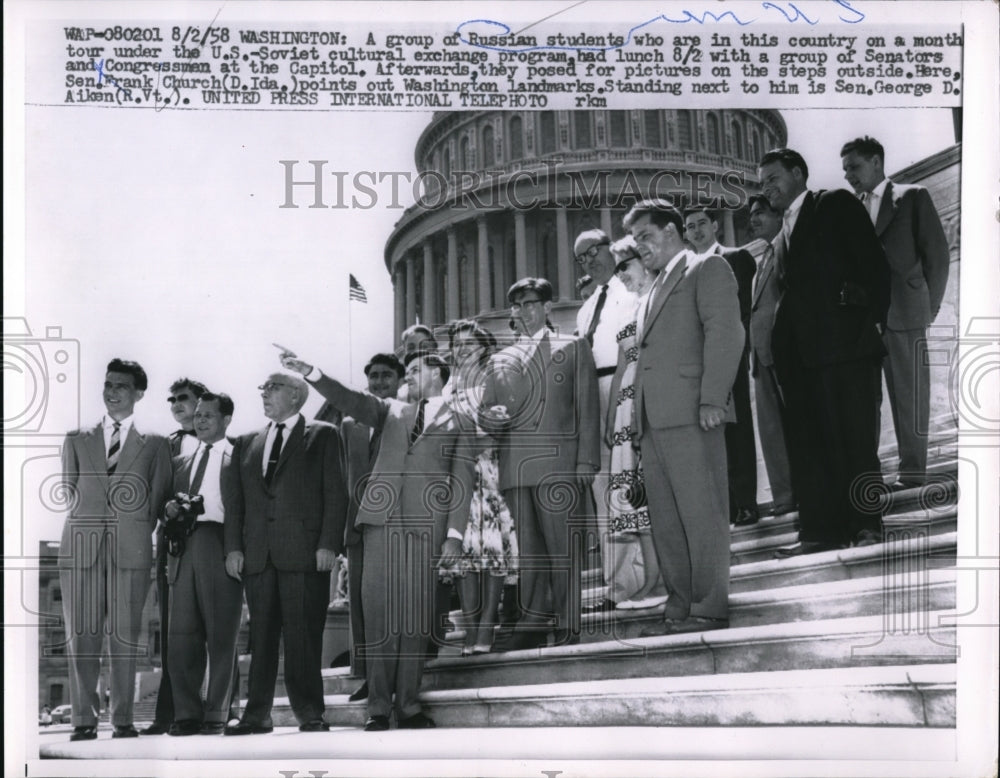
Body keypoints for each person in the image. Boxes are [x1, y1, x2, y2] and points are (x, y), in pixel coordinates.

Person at [281, 348, 474, 731]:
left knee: (414, 618)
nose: (408, 376)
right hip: (379, 522)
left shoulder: (461, 420)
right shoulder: (390, 411)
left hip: (425, 526)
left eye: (415, 369)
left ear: (438, 373)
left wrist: (454, 536)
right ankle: (379, 708)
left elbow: (462, 479)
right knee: (378, 613)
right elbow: (350, 399)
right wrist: (312, 372)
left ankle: (409, 705)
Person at [758, 148, 890, 556]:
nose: (767, 188)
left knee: (855, 441)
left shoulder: (833, 203)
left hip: (845, 350)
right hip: (802, 361)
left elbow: (873, 264)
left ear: (798, 173)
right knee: (810, 448)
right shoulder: (781, 233)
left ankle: (866, 525)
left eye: (773, 178)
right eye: (762, 183)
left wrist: (867, 323)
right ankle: (820, 532)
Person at [622, 200, 744, 636]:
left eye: (645, 236)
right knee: (668, 521)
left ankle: (709, 606)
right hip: (654, 421)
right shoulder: (652, 288)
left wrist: (713, 399)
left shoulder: (706, 269)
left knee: (701, 514)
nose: (640, 246)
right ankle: (680, 604)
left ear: (671, 231)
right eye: (636, 239)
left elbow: (726, 332)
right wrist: (637, 423)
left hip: (694, 412)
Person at [223, 372, 347, 734]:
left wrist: (328, 544)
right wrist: (234, 548)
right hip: (258, 557)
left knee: (303, 637)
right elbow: (236, 504)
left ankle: (310, 713)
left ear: (296, 395)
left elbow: (335, 493)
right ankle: (256, 716)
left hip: (305, 554)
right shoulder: (246, 442)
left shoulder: (323, 435)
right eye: (262, 388)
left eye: (272, 387)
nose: (264, 393)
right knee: (260, 640)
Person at [481, 277, 601, 650]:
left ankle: (568, 622)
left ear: (548, 307)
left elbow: (587, 408)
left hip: (559, 465)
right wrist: (491, 418)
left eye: (530, 303)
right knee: (529, 554)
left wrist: (586, 461)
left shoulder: (573, 346)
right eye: (516, 306)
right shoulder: (499, 359)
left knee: (562, 547)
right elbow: (486, 414)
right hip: (516, 468)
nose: (522, 312)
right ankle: (532, 622)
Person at [59, 359, 173, 741]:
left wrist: (133, 531)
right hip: (81, 548)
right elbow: (70, 491)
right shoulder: (76, 438)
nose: (111, 391)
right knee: (82, 636)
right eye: (108, 384)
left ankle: (123, 720)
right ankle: (83, 720)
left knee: (125, 636)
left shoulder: (155, 444)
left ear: (139, 393)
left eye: (121, 386)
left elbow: (157, 500)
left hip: (131, 549)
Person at [840, 136, 951, 489]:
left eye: (854, 167)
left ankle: (913, 473)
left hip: (906, 313)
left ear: (876, 162)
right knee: (865, 400)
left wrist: (927, 309)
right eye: (844, 170)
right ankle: (868, 476)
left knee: (910, 395)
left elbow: (937, 256)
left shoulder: (912, 196)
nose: (848, 176)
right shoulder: (850, 210)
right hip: (865, 322)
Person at [164, 392, 244, 736]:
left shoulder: (239, 456)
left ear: (226, 419)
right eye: (197, 415)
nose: (200, 420)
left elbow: (245, 507)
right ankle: (186, 714)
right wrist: (168, 509)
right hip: (183, 546)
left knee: (222, 633)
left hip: (220, 542)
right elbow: (164, 505)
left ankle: (219, 712)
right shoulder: (181, 462)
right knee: (182, 635)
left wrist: (236, 549)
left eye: (208, 415)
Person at [440, 320, 518, 654]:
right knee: (465, 555)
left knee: (493, 549)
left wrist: (471, 442)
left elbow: (504, 425)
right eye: (457, 344)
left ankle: (487, 625)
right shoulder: (447, 386)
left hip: (490, 471)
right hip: (456, 477)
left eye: (469, 344)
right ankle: (471, 630)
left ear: (483, 348)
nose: (462, 350)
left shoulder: (493, 378)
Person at [573, 229, 637, 611]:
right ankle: (617, 585)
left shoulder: (629, 292)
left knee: (626, 490)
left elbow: (632, 351)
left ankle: (636, 581)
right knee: (603, 493)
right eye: (581, 258)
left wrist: (617, 403)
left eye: (593, 252)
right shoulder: (586, 309)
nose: (589, 261)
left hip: (622, 384)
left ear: (610, 249)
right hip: (591, 397)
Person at [684, 206, 759, 527]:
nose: (697, 230)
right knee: (710, 432)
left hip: (728, 355)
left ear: (715, 226)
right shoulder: (685, 270)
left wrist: (737, 351)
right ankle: (724, 505)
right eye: (690, 227)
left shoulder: (735, 257)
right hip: (697, 361)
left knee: (737, 429)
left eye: (702, 223)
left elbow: (745, 310)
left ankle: (746, 502)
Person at [604, 237, 669, 610]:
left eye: (624, 266)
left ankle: (664, 578)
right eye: (616, 269)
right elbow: (621, 366)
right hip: (626, 411)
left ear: (644, 260)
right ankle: (651, 578)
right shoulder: (628, 306)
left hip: (650, 402)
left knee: (653, 493)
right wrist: (612, 417)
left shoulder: (661, 295)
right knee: (634, 499)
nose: (620, 275)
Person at [142, 377, 208, 736]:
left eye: (184, 398)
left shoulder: (222, 442)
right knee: (173, 632)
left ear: (201, 402)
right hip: (173, 545)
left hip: (212, 544)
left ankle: (217, 710)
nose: (176, 404)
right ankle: (168, 714)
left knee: (215, 629)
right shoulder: (164, 445)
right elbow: (153, 495)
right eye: (172, 400)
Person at [338, 352, 405, 702]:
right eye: (374, 376)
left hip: (398, 523)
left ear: (399, 380)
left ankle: (401, 674)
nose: (379, 382)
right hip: (358, 526)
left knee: (397, 603)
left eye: (386, 375)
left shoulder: (408, 414)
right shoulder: (350, 424)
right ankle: (367, 674)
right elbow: (343, 477)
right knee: (362, 607)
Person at [747, 194, 797, 516]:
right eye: (751, 215)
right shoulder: (763, 256)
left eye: (760, 213)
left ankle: (799, 492)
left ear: (779, 216)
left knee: (793, 427)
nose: (753, 220)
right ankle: (784, 497)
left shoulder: (787, 246)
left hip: (783, 353)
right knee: (771, 432)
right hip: (761, 358)